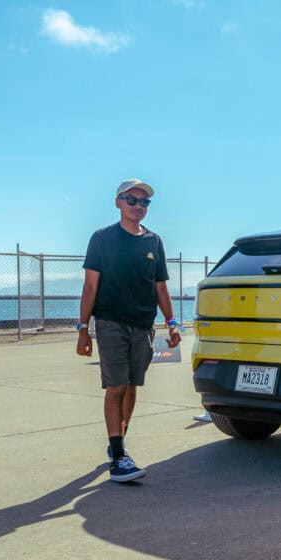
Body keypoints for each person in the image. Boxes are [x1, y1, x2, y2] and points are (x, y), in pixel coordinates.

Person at [76, 179, 181, 482]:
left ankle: (118, 441)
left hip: (143, 325)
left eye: (144, 202)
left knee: (133, 385)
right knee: (116, 386)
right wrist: (83, 329)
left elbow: (160, 286)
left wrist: (171, 323)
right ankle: (119, 457)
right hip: (110, 322)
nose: (138, 206)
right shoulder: (101, 238)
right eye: (131, 200)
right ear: (118, 202)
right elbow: (90, 286)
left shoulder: (154, 242)